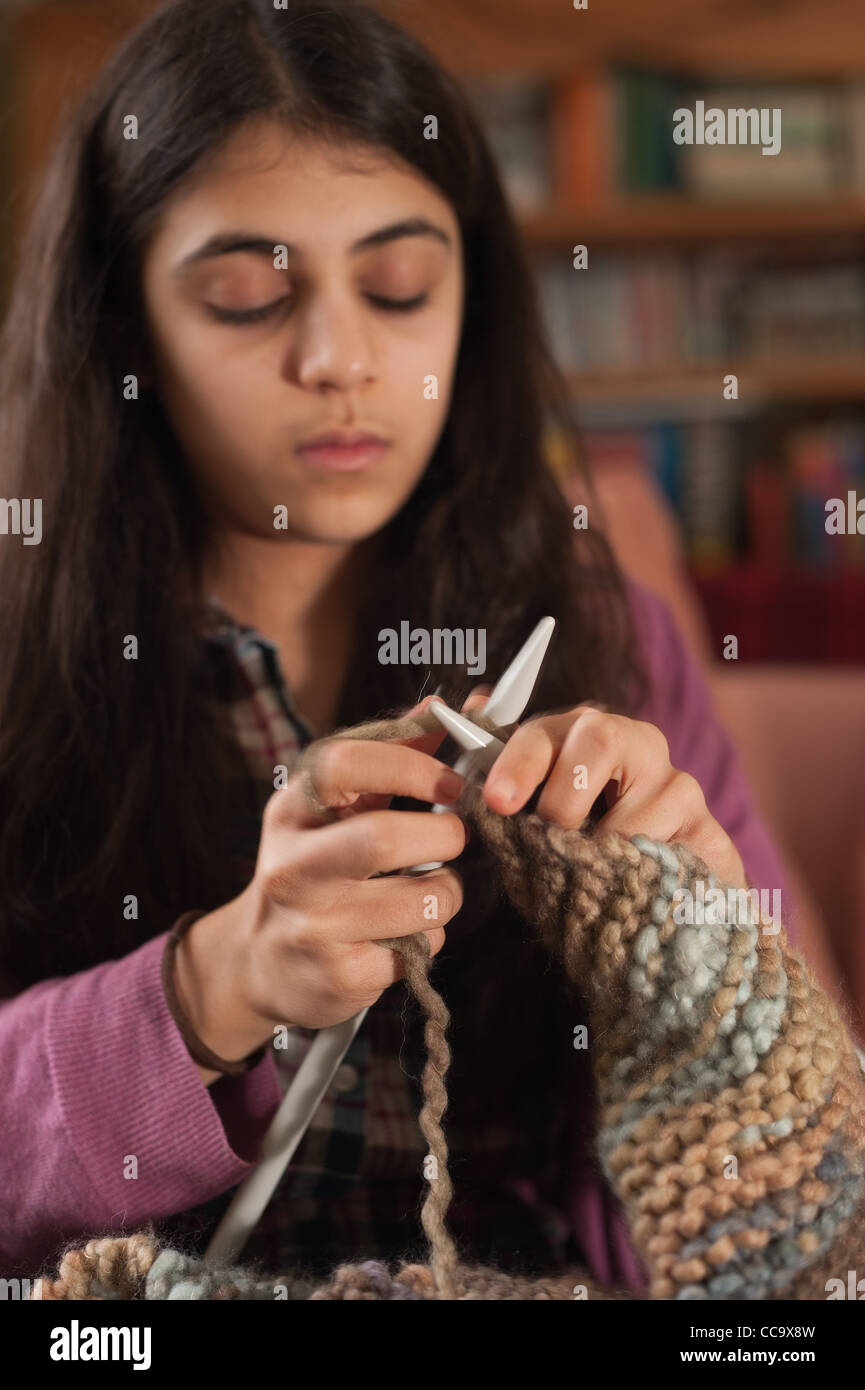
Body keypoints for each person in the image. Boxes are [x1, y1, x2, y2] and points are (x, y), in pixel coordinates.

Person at [0, 0, 799, 1293]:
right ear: (124, 328)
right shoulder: (27, 657)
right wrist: (211, 986)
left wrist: (695, 976)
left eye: (399, 286)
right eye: (248, 298)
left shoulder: (611, 640)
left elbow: (782, 1221)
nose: (341, 359)